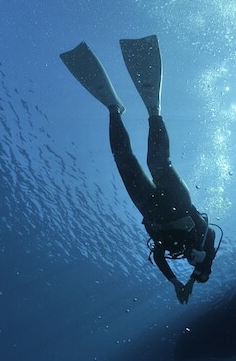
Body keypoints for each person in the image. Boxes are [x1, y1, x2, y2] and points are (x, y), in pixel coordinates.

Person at [60, 35, 217, 304]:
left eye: (191, 261)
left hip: (150, 209)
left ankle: (113, 109)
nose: (191, 259)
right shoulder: (204, 240)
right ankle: (153, 111)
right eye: (196, 262)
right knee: (157, 163)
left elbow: (158, 257)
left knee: (123, 160)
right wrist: (202, 261)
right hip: (179, 203)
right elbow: (209, 244)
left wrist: (177, 282)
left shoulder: (173, 250)